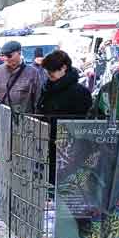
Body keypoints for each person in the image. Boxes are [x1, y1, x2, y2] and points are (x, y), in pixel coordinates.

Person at [38, 50, 92, 182]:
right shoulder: (48, 87)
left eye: (52, 70)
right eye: (47, 70)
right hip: (46, 143)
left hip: (68, 149)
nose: (48, 73)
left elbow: (84, 123)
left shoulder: (80, 92)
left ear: (63, 68)